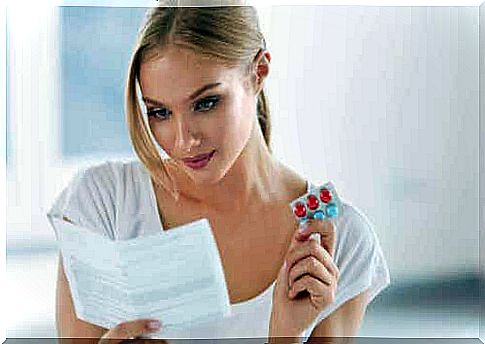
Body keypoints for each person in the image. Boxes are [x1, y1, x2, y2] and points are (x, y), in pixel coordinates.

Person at [48, 3, 391, 343]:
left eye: (206, 103)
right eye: (159, 112)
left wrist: (286, 335)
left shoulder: (342, 240)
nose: (183, 140)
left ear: (258, 72)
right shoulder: (101, 205)